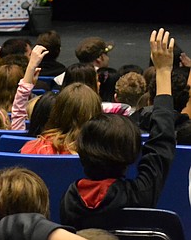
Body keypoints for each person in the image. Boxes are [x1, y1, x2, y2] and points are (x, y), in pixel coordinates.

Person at [59, 28, 177, 228]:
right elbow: (161, 142)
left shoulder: (69, 199)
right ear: (131, 154)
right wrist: (164, 72)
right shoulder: (139, 196)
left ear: (81, 149)